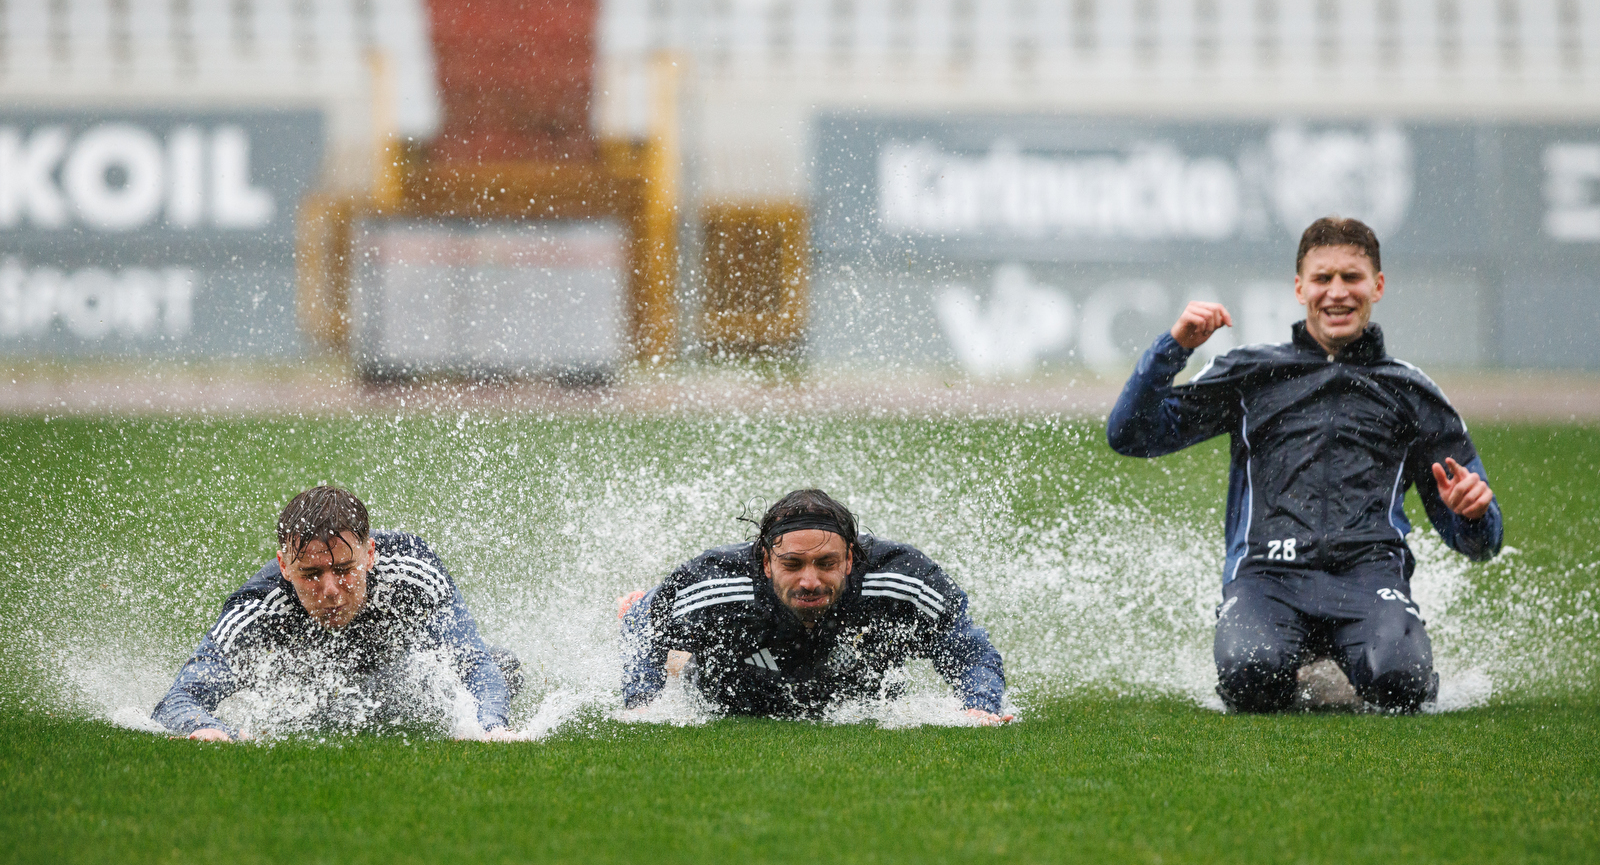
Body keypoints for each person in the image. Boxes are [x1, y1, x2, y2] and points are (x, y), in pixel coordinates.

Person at [1106, 217, 1503, 713]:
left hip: (1369, 578)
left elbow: (1481, 544)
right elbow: (1130, 435)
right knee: (1252, 677)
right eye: (1322, 279)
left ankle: (1369, 657)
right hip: (1268, 577)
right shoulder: (1250, 373)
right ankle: (1305, 661)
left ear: (1377, 285)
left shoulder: (1413, 392)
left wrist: (1472, 515)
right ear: (1299, 288)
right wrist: (1174, 348)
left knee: (1401, 687)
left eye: (1352, 277)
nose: (1337, 292)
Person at [152, 485, 521, 740]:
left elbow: (473, 662)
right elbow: (179, 699)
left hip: (400, 677)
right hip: (310, 697)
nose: (330, 591)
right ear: (283, 566)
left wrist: (489, 726)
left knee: (504, 668)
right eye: (310, 575)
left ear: (371, 554)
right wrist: (209, 728)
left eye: (345, 570)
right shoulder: (256, 608)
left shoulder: (412, 570)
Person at [621, 488, 1010, 723]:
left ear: (852, 560)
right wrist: (641, 703)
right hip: (733, 695)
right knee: (656, 622)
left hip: (855, 693)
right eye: (792, 564)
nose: (810, 581)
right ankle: (674, 647)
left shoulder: (900, 579)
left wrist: (980, 706)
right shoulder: (717, 580)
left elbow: (966, 645)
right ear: (766, 563)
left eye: (826, 564)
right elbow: (643, 628)